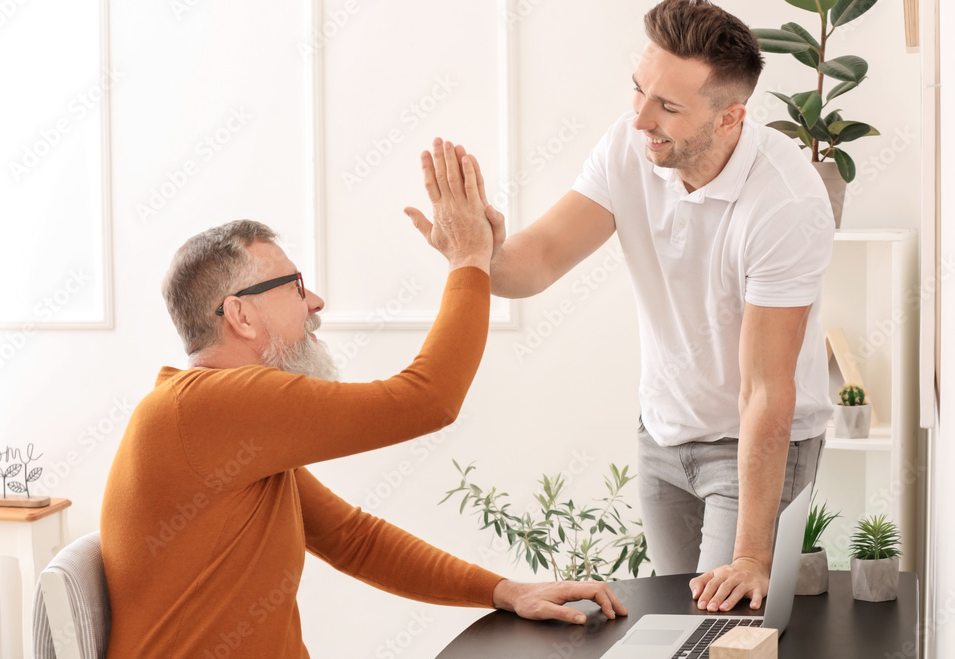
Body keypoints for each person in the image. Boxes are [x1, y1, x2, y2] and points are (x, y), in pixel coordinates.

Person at [100, 143, 626, 658]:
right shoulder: (205, 409)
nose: (315, 302)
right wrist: (468, 256)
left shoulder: (220, 426)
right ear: (240, 315)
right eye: (294, 286)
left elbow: (354, 540)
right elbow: (428, 400)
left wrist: (505, 591)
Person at [406, 0, 834, 616]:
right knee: (671, 626)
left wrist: (751, 558)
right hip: (662, 436)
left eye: (669, 107)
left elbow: (766, 389)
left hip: (753, 445)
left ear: (729, 118)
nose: (641, 119)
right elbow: (542, 258)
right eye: (640, 91)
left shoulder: (785, 202)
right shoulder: (629, 147)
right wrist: (474, 253)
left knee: (723, 629)